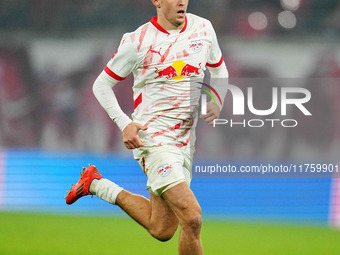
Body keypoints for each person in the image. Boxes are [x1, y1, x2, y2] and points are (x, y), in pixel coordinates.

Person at [65, 0, 228, 254]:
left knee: (162, 229)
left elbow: (219, 71)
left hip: (185, 142)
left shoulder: (203, 29)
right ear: (157, 1)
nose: (181, 1)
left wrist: (217, 101)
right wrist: (125, 123)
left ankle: (96, 184)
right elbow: (101, 85)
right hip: (152, 140)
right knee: (193, 218)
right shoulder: (137, 41)